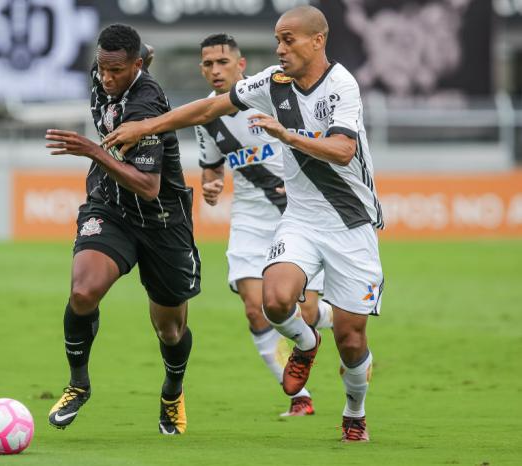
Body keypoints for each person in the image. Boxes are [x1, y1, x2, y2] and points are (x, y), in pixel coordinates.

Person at [103, 6, 384, 442]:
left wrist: (287, 137)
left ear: (317, 40)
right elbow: (209, 109)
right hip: (301, 218)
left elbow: (343, 150)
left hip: (350, 221)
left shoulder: (342, 84)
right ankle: (306, 345)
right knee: (272, 301)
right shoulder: (271, 82)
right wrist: (148, 125)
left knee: (352, 338)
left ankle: (354, 412)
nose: (280, 47)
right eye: (277, 39)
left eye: (288, 39)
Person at [44, 24, 200, 435]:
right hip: (111, 208)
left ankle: (172, 390)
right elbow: (141, 51)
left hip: (161, 219)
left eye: (117, 71)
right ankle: (79, 384)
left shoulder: (146, 106)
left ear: (135, 67)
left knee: (170, 329)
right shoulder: (110, 70)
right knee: (82, 291)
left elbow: (149, 187)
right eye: (103, 69)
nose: (107, 79)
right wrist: (139, 55)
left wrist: (93, 151)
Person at [195, 33, 332, 417]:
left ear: (241, 66)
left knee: (302, 315)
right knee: (256, 310)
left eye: (223, 62)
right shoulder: (205, 115)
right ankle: (299, 398)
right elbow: (210, 168)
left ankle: (337, 317)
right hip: (250, 219)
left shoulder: (274, 95)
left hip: (299, 213)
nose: (215, 70)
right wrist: (211, 187)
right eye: (208, 64)